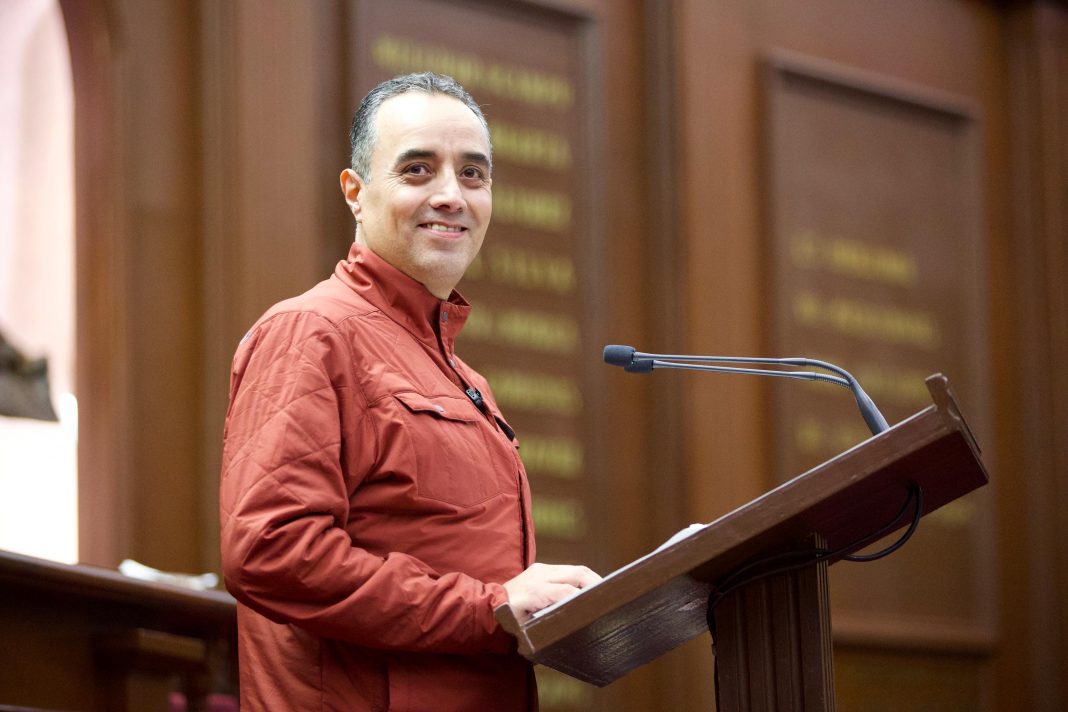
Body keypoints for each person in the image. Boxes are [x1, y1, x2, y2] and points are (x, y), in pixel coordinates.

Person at [219, 72, 599, 711]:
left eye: (473, 174)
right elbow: (270, 550)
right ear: (355, 192)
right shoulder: (311, 332)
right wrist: (491, 606)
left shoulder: (466, 380)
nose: (451, 195)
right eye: (418, 170)